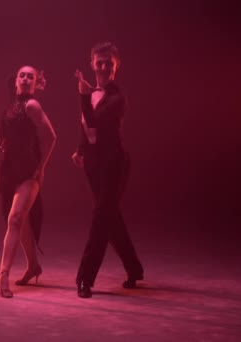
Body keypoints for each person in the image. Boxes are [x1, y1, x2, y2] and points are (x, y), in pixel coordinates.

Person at [72, 42, 144, 298]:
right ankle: (134, 268)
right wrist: (80, 151)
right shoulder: (91, 93)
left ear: (116, 68)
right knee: (110, 217)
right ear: (92, 63)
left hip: (114, 164)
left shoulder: (117, 97)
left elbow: (95, 122)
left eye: (109, 64)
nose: (103, 67)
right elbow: (86, 129)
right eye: (99, 62)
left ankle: (84, 278)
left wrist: (81, 96)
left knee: (101, 217)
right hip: (93, 164)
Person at [0, 65, 57, 298]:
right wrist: (5, 144)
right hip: (9, 170)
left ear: (35, 84)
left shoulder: (32, 105)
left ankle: (3, 275)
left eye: (30, 76)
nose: (24, 78)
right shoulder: (12, 106)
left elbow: (51, 137)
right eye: (22, 75)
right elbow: (12, 132)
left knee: (15, 218)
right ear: (16, 81)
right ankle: (33, 266)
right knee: (20, 222)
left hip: (28, 171)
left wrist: (41, 168)